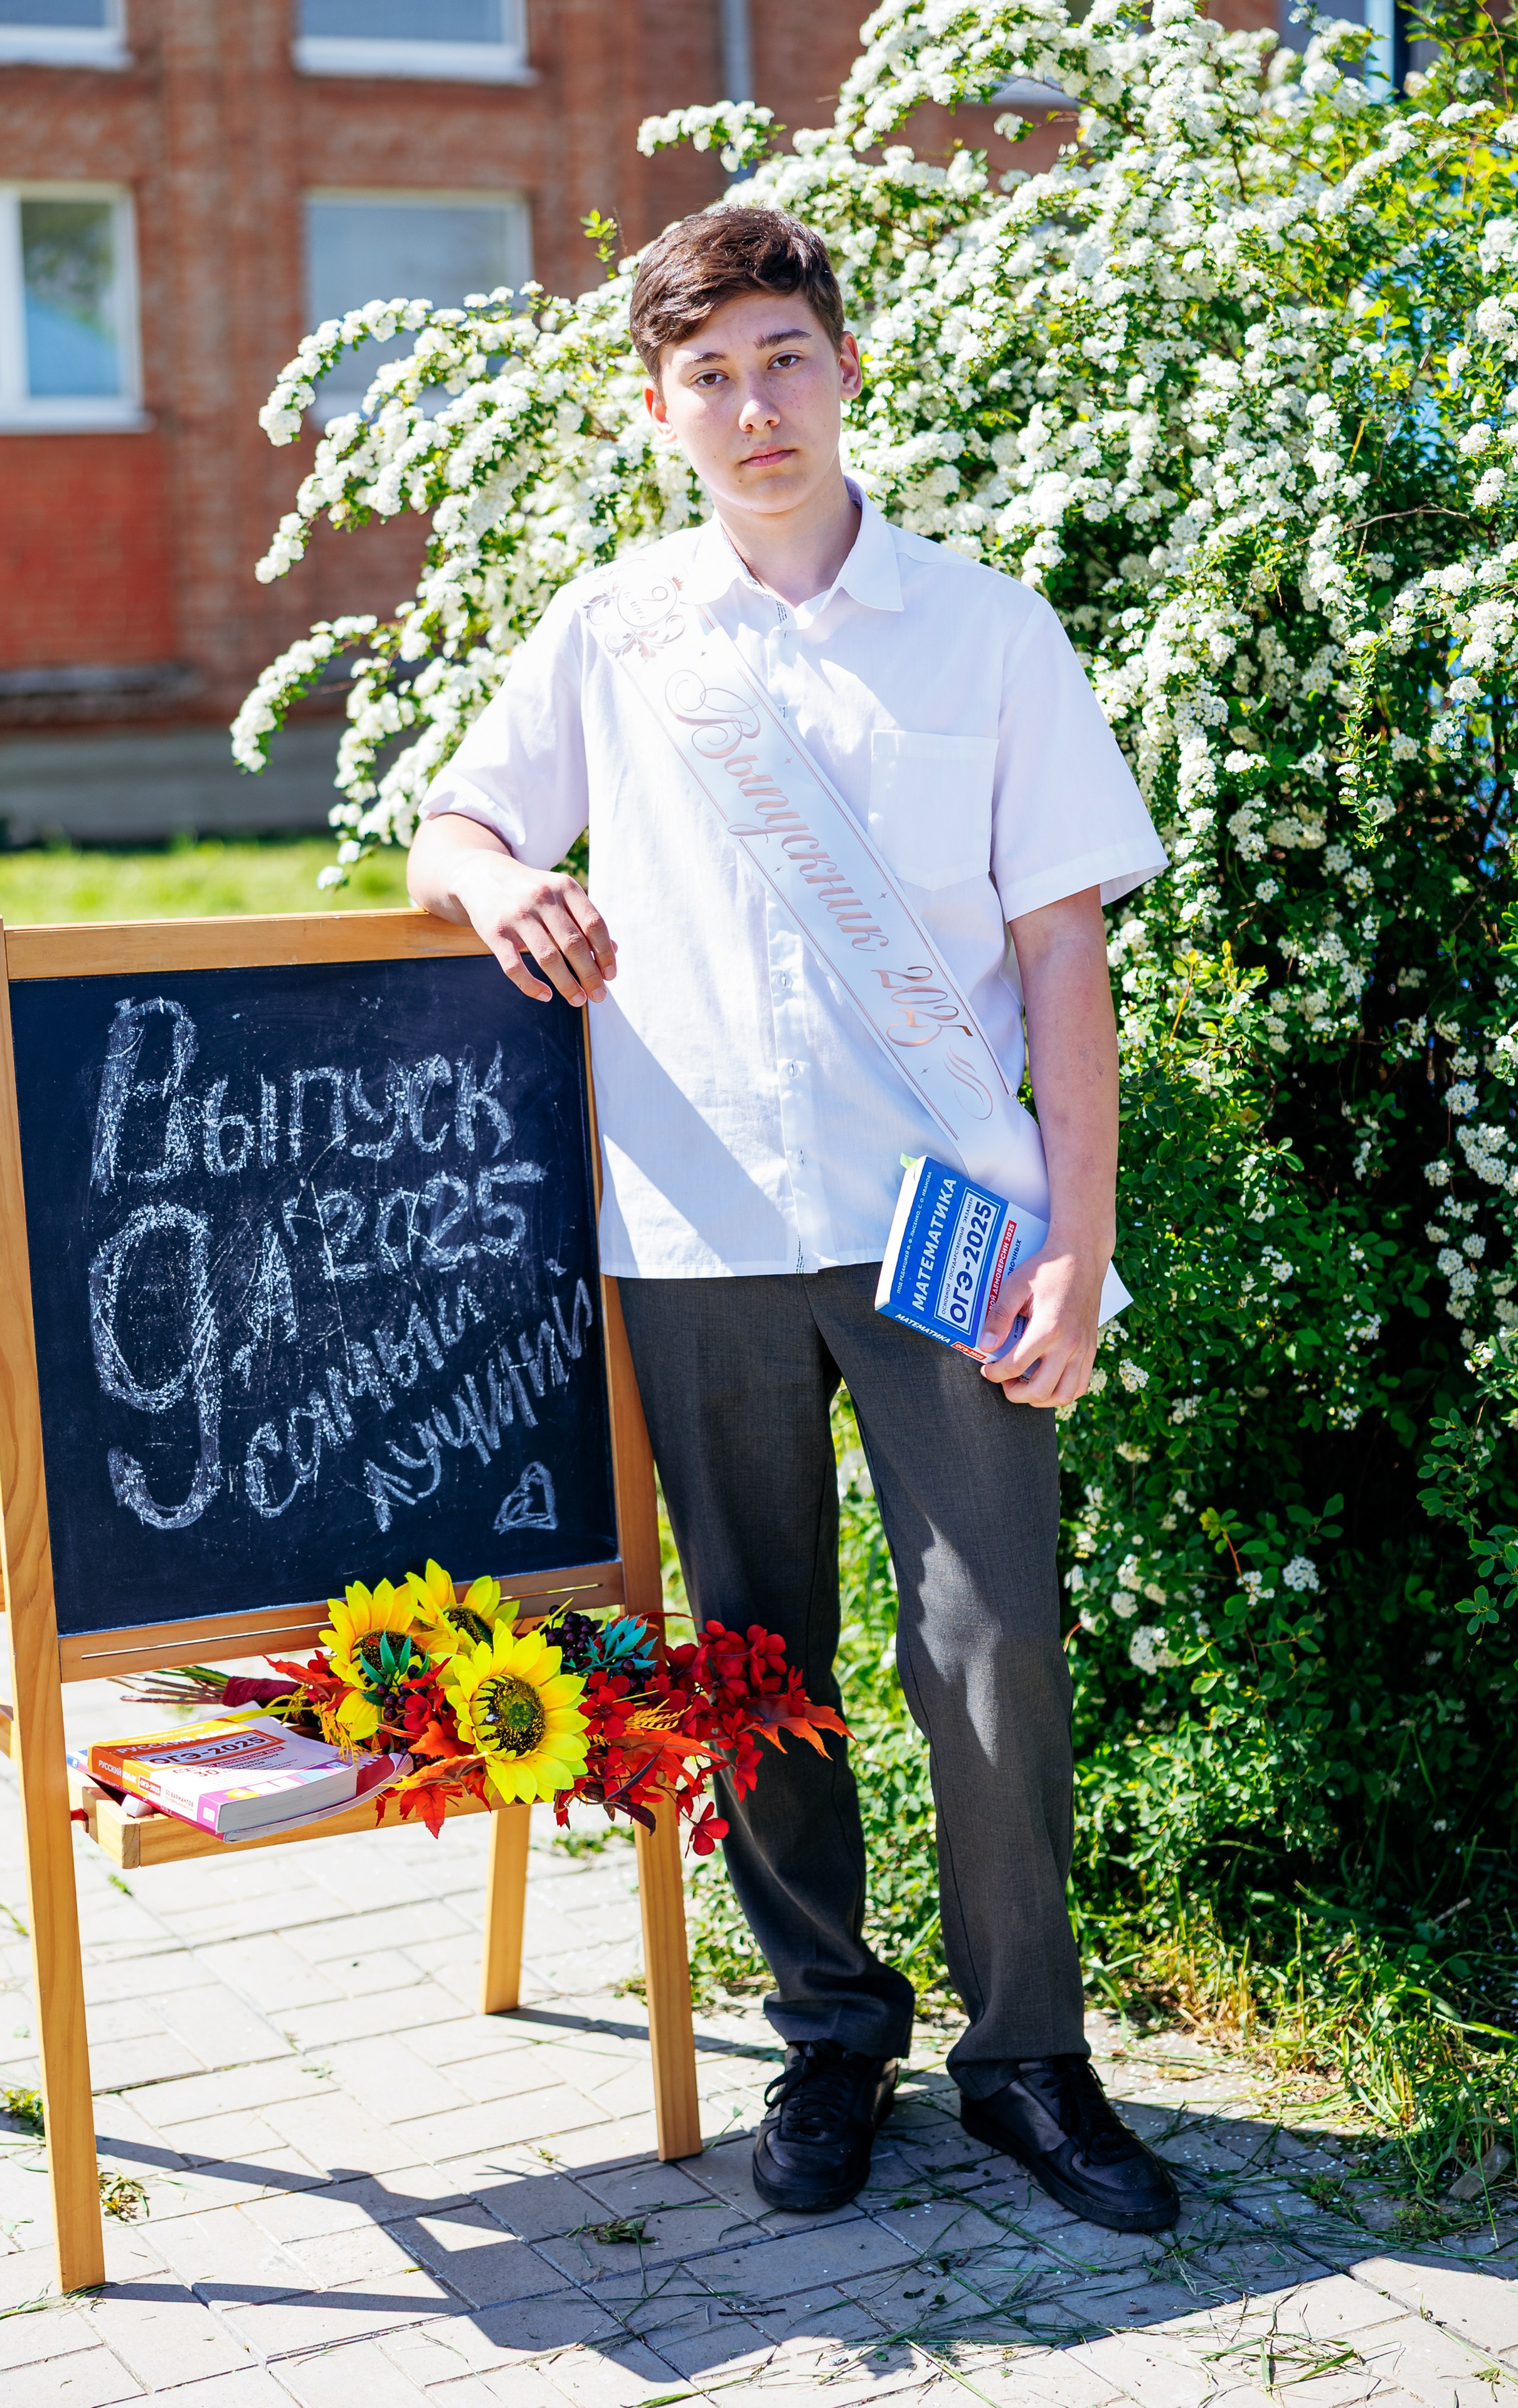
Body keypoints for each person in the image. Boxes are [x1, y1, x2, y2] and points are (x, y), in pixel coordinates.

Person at [408, 205, 1178, 2234]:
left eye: (784, 358)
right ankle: (830, 2033)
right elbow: (457, 817)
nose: (756, 407)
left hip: (950, 1222)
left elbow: (1063, 947)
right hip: (696, 1227)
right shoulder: (615, 628)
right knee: (756, 1659)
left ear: (847, 370)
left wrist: (1080, 1244)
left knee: (994, 1640)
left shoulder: (988, 632)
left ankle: (1030, 2060)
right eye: (710, 375)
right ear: (658, 409)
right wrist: (501, 888)